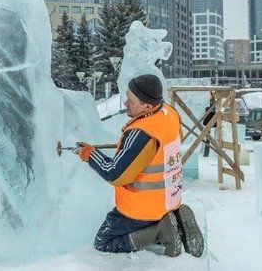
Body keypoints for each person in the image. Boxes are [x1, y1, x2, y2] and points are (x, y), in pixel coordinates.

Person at [75, 74, 204, 257]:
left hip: (142, 208)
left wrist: (90, 154)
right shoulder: (168, 113)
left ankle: (158, 231)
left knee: (104, 242)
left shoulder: (142, 133)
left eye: (131, 100)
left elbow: (115, 174)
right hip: (168, 199)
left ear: (147, 106)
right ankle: (172, 219)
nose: (126, 103)